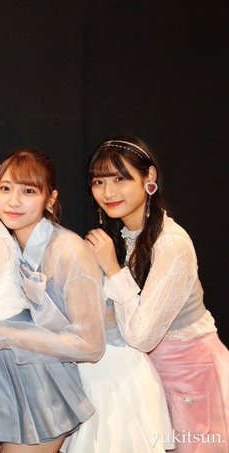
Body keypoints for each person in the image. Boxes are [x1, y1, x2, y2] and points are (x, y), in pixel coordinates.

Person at [85, 136, 229, 453]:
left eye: (120, 179)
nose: (108, 192)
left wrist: (113, 270)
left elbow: (141, 336)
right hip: (148, 379)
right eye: (99, 182)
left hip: (192, 379)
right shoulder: (124, 236)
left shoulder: (171, 244)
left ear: (149, 177)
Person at [0, 148, 105, 453]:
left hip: (75, 378)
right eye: (5, 188)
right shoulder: (6, 242)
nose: (13, 201)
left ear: (50, 199)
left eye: (28, 191)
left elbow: (91, 345)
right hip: (15, 374)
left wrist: (4, 334)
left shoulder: (67, 250)